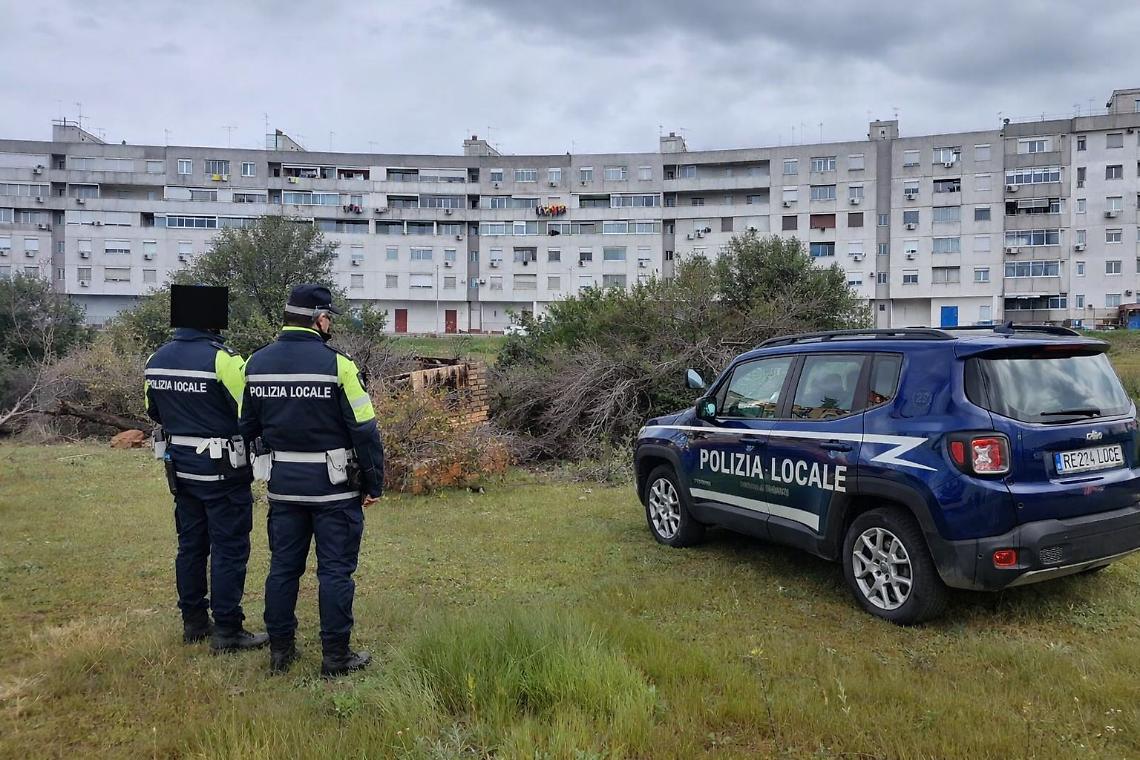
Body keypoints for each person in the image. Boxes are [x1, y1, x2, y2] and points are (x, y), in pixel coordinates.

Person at [239, 284, 384, 676]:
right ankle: (336, 656)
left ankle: (280, 652)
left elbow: (247, 426)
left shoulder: (255, 363)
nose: (330, 324)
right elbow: (365, 431)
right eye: (329, 318)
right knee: (335, 571)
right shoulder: (339, 366)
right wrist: (374, 482)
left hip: (283, 486)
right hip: (334, 489)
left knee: (283, 569)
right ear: (319, 319)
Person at [144, 284, 269, 653]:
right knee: (229, 549)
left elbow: (154, 411)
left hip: (181, 470)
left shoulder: (156, 359)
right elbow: (249, 412)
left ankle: (194, 622)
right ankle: (228, 629)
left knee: (190, 546)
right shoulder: (224, 360)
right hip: (223, 472)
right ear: (213, 320)